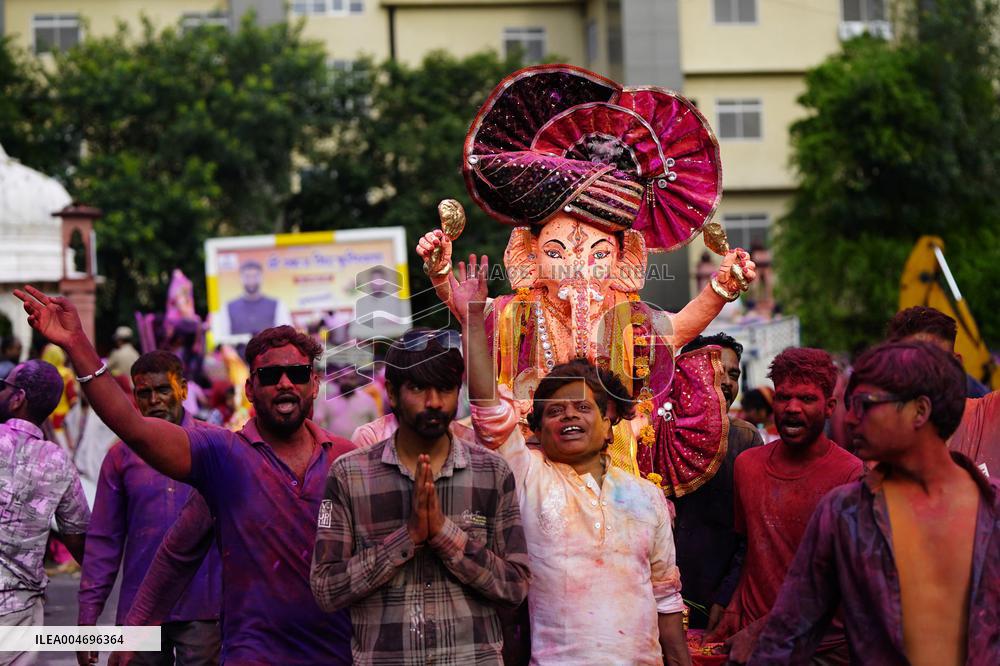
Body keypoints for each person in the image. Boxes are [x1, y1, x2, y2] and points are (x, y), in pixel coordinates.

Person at [15, 286, 354, 665]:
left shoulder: (347, 460)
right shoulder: (224, 454)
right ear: (250, 389)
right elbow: (133, 431)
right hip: (251, 654)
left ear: (314, 384)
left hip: (329, 651)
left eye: (297, 373)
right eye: (271, 374)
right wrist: (77, 344)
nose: (285, 383)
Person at [456, 256, 691, 665]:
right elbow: (488, 413)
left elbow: (666, 600)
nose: (568, 416)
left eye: (582, 407)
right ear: (539, 427)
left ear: (610, 419)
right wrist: (474, 318)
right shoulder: (529, 476)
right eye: (554, 410)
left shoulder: (647, 497)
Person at [751, 341, 999, 665]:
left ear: (920, 411)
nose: (851, 418)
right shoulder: (845, 515)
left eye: (865, 404)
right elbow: (786, 638)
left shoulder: (992, 509)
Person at [310, 327, 530, 664]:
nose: (433, 402)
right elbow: (326, 589)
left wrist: (445, 535)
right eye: (418, 388)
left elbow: (515, 588)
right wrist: (406, 538)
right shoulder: (349, 476)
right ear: (393, 395)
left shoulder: (492, 474)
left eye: (445, 388)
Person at [709, 348, 863, 664]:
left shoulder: (852, 475)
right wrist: (734, 606)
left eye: (806, 399)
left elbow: (841, 579)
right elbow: (752, 549)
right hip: (752, 644)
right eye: (783, 398)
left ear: (830, 406)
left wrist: (763, 631)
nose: (792, 408)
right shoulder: (747, 466)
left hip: (822, 648)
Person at [77, 351, 221, 666]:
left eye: (163, 390)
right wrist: (88, 615)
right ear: (135, 397)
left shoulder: (216, 445)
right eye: (145, 393)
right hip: (138, 611)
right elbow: (104, 541)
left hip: (204, 607)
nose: (154, 400)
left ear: (183, 389)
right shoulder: (120, 458)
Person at [0, 360, 90, 666]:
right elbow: (79, 540)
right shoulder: (58, 461)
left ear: (18, 397)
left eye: (4, 387)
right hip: (17, 613)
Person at [675, 333, 764, 630]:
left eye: (734, 374)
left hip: (720, 605)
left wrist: (729, 596)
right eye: (716, 370)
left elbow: (753, 533)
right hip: (659, 603)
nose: (726, 382)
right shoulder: (655, 433)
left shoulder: (745, 438)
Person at [886, 306, 990, 398]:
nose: (924, 376)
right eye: (910, 363)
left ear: (957, 365)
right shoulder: (876, 409)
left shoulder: (984, 409)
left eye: (936, 363)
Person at [214, 260, 292, 338]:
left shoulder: (277, 304)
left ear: (262, 277)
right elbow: (222, 339)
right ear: (241, 278)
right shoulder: (228, 307)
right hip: (238, 350)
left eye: (255, 276)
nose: (251, 280)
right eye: (247, 276)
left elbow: (286, 336)